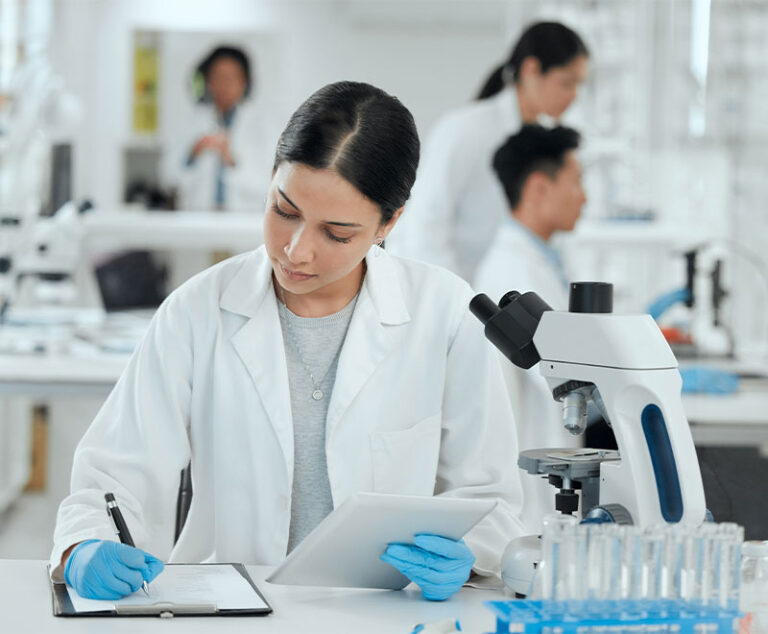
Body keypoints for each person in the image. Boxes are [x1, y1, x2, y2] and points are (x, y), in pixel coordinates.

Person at [51, 81, 527, 602]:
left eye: (336, 234)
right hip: (233, 602)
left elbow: (491, 498)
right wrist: (84, 545)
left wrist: (472, 555)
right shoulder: (198, 310)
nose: (297, 251)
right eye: (285, 210)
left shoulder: (444, 314)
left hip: (385, 612)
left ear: (389, 223)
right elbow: (118, 467)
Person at [392, 21, 588, 281]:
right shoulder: (467, 129)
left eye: (579, 86)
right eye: (566, 83)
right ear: (531, 70)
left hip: (489, 294)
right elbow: (425, 224)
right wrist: (457, 300)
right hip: (445, 288)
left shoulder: (538, 141)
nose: (574, 96)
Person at [473, 124, 586, 532]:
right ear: (539, 187)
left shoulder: (539, 259)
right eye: (576, 182)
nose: (584, 197)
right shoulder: (510, 269)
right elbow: (562, 377)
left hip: (553, 473)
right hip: (532, 494)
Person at [168, 45, 274, 211]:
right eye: (218, 77)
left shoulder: (261, 125)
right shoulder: (190, 121)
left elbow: (268, 183)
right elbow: (170, 178)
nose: (224, 85)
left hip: (242, 219)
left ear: (244, 82)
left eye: (231, 78)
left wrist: (230, 160)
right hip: (197, 217)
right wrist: (193, 154)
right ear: (208, 81)